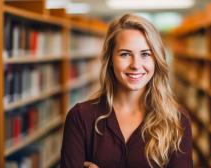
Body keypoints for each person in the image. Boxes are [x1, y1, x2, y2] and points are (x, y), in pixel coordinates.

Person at [61, 13, 193, 168]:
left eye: (145, 54)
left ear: (156, 59)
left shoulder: (177, 120)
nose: (136, 65)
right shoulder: (80, 118)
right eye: (125, 54)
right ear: (110, 59)